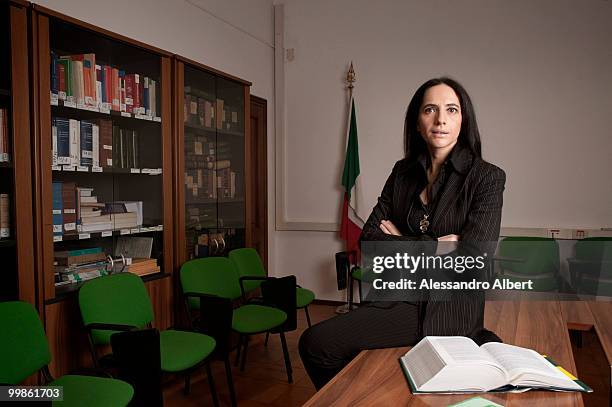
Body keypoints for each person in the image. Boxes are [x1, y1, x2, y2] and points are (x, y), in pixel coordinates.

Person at [299, 77, 506, 390]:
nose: (441, 119)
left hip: (444, 309)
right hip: (395, 297)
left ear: (463, 120)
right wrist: (435, 246)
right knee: (318, 345)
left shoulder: (486, 178)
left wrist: (398, 241)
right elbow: (369, 241)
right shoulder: (402, 172)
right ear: (418, 122)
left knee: (317, 343)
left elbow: (474, 258)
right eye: (430, 110)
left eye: (451, 109)